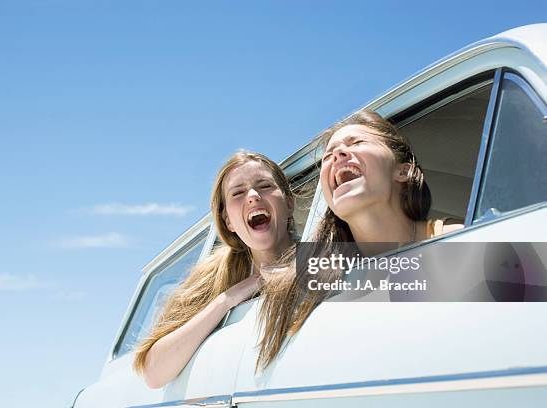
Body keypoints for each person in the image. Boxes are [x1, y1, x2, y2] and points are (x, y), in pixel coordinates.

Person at [256, 110, 463, 370]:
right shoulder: (311, 279)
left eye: (357, 143)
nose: (338, 155)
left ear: (404, 171)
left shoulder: (457, 241)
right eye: (329, 155)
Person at [134, 151, 296, 388]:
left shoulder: (323, 257)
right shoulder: (215, 274)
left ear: (289, 202)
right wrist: (227, 299)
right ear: (228, 221)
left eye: (264, 186)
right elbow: (154, 374)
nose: (252, 196)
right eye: (238, 193)